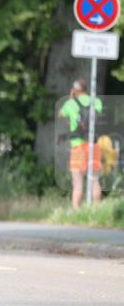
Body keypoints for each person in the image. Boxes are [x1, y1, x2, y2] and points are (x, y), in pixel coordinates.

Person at [59, 79, 104, 209]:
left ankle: (76, 212)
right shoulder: (96, 101)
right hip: (93, 144)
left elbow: (60, 114)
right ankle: (97, 210)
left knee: (78, 183)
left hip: (78, 145)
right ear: (86, 89)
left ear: (75, 90)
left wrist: (70, 97)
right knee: (95, 180)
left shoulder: (70, 103)